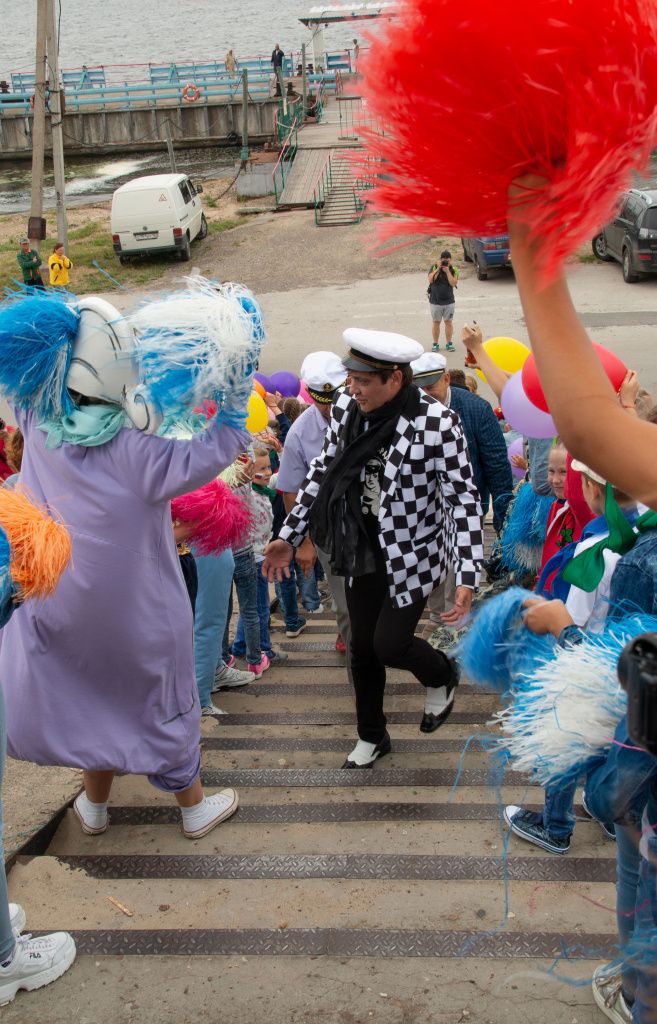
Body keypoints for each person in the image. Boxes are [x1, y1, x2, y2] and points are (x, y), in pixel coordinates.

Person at [0, 285, 255, 842]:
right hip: (137, 608)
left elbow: (24, 375)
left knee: (95, 698)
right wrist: (234, 381)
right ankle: (192, 808)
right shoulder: (141, 452)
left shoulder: (39, 423)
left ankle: (92, 810)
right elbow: (224, 441)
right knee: (160, 698)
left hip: (57, 596)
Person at [263, 328, 484, 767]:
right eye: (351, 377)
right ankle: (371, 735)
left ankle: (442, 673)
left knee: (389, 644)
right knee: (361, 646)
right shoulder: (348, 408)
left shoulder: (437, 422)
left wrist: (468, 573)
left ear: (394, 380)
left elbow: (464, 500)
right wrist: (289, 536)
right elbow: (321, 473)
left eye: (362, 381)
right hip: (360, 546)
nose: (352, 388)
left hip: (414, 553)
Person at [411, 350, 513, 648]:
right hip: (425, 510)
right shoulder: (410, 410)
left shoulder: (476, 408)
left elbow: (496, 461)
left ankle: (456, 617)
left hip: (466, 506)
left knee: (459, 562)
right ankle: (437, 614)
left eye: (431, 388)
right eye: (419, 389)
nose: (425, 395)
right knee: (431, 563)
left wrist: (504, 509)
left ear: (445, 379)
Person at [276, 351, 351, 658]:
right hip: (329, 529)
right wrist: (304, 540)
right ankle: (350, 639)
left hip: (374, 524)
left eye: (332, 399)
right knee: (344, 600)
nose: (327, 406)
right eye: (321, 400)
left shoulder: (365, 412)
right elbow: (291, 492)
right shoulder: (299, 433)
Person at [427, 249, 458, 352]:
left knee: (448, 322)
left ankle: (449, 343)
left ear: (450, 260)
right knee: (436, 322)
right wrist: (438, 269)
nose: (445, 262)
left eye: (447, 260)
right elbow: (430, 280)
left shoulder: (454, 269)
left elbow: (453, 283)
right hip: (435, 301)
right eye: (443, 260)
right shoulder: (434, 267)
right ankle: (435, 344)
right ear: (440, 260)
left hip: (449, 302)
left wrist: (447, 271)